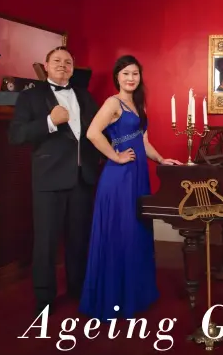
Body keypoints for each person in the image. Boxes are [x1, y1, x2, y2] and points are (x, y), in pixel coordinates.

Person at [79, 55, 181, 321]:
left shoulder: (137, 103)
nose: (131, 78)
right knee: (120, 234)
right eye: (125, 74)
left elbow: (142, 141)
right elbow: (92, 133)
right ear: (117, 77)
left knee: (136, 232)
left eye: (135, 73)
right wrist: (116, 156)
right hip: (119, 178)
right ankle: (114, 299)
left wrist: (160, 159)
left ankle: (134, 295)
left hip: (137, 176)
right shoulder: (112, 103)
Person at [9, 46, 102, 316]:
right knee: (46, 242)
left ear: (73, 69)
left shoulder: (85, 97)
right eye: (57, 61)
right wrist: (49, 121)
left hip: (83, 178)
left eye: (68, 62)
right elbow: (16, 135)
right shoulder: (30, 97)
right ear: (46, 66)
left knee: (78, 240)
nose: (63, 65)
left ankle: (77, 289)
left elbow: (98, 132)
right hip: (49, 179)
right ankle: (44, 300)